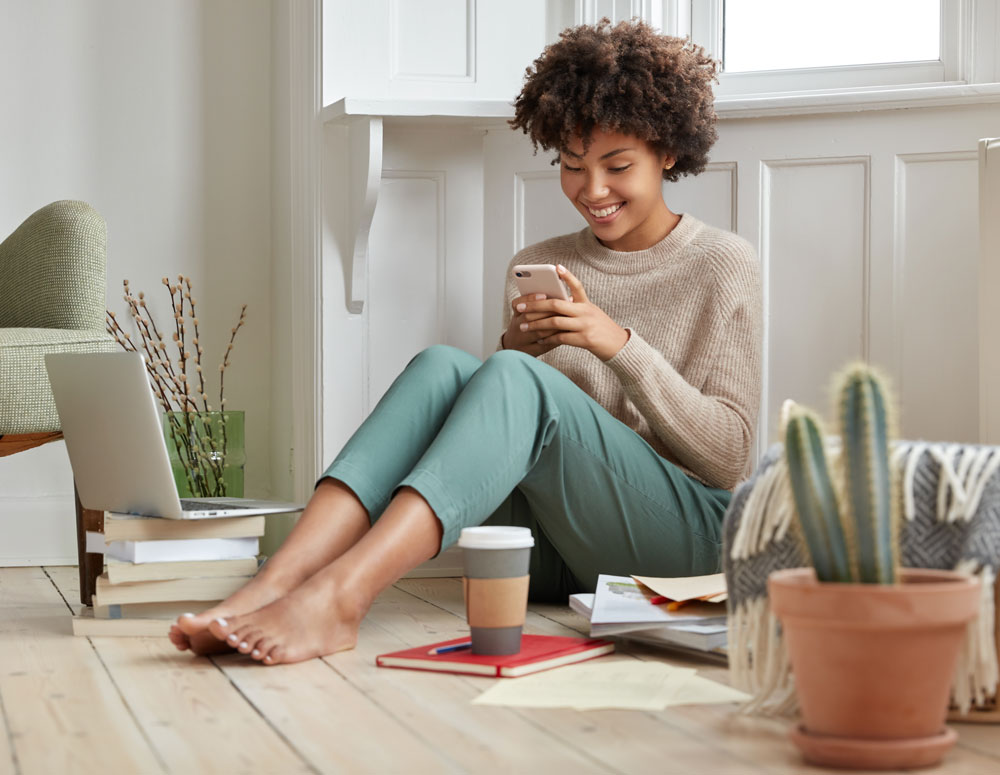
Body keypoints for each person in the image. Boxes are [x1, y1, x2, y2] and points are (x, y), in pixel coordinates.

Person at [170, 19, 762, 665]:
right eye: (571, 166)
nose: (592, 191)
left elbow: (729, 457)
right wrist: (516, 348)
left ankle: (342, 593)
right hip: (557, 555)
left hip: (685, 546)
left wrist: (617, 344)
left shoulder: (723, 264)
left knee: (511, 379)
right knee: (442, 367)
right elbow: (504, 434)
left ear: (668, 152)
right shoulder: (541, 260)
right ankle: (273, 583)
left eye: (617, 165)